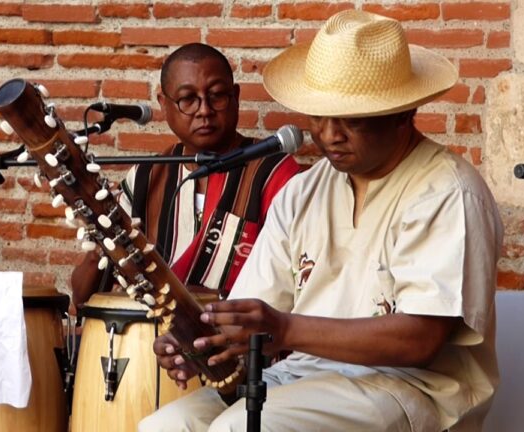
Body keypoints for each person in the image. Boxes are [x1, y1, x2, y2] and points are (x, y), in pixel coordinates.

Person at [140, 10, 504, 432]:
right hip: (304, 376)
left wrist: (286, 328)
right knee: (168, 425)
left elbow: (419, 340)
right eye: (319, 116)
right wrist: (201, 343)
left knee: (239, 429)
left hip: (411, 388)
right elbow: (252, 312)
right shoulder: (303, 191)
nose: (329, 135)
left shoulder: (447, 191)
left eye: (351, 118)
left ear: (404, 113)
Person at [70, 43, 300, 308]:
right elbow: (82, 299)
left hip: (241, 342)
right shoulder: (147, 177)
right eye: (188, 99)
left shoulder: (273, 173)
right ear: (164, 105)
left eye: (217, 95)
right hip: (147, 343)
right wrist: (99, 236)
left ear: (235, 96)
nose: (204, 110)